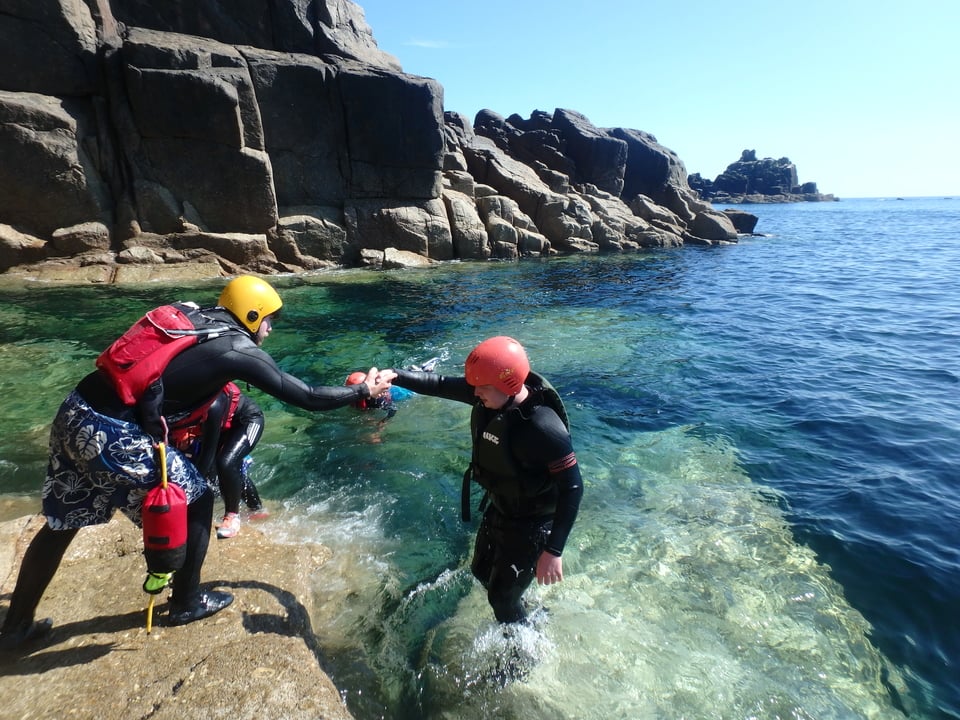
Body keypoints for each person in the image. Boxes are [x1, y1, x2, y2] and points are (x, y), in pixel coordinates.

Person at [0, 275, 395, 649]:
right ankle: (187, 602)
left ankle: (16, 627)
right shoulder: (238, 349)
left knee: (62, 525)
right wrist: (364, 388)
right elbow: (307, 396)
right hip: (110, 433)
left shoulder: (190, 314)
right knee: (200, 499)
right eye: (269, 321)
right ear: (252, 315)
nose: (270, 330)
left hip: (75, 411)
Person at [385, 337, 582, 624]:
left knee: (501, 598)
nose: (474, 393)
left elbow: (573, 488)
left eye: (482, 387)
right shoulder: (490, 394)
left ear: (509, 385)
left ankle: (520, 657)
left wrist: (553, 550)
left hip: (533, 524)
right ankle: (526, 610)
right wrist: (395, 376)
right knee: (481, 573)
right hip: (502, 508)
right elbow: (438, 383)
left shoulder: (544, 428)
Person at [169, 382, 267, 539]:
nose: (176, 437)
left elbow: (207, 457)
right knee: (217, 470)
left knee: (226, 463)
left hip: (247, 421)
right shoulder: (174, 410)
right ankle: (258, 511)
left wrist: (190, 494)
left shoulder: (211, 407)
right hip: (222, 426)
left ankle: (232, 517)